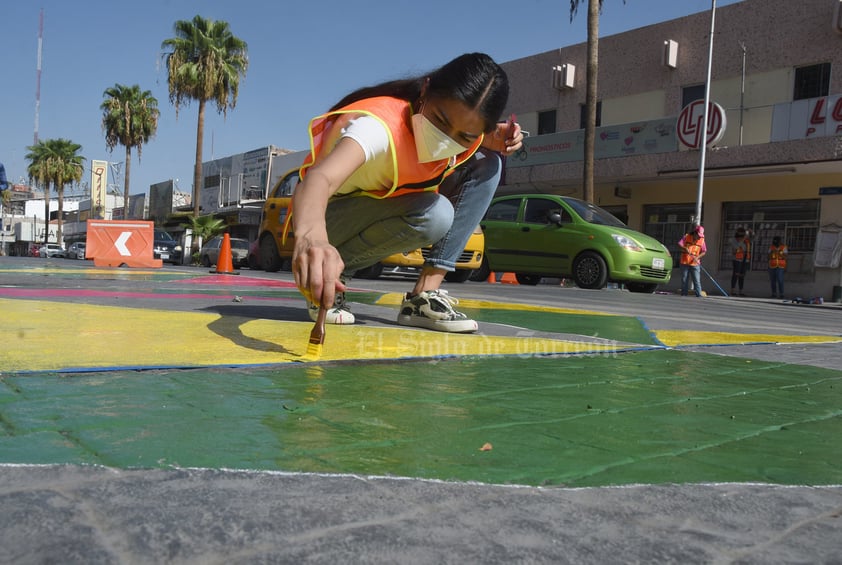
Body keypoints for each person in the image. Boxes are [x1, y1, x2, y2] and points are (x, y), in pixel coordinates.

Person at [289, 53, 523, 333]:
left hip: (372, 211)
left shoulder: (469, 138)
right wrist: (312, 240)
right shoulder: (376, 128)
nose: (446, 139)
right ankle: (328, 276)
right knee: (436, 214)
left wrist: (489, 140)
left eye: (464, 136)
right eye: (439, 121)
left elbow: (466, 133)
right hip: (325, 221)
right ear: (425, 91)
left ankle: (423, 297)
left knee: (489, 165)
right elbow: (319, 179)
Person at [678, 225, 706, 297]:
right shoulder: (687, 237)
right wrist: (684, 248)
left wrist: (697, 257)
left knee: (696, 280)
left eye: (700, 236)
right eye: (698, 235)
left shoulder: (702, 240)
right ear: (695, 233)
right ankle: (684, 294)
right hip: (685, 262)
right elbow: (679, 244)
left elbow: (704, 251)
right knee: (684, 279)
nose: (699, 237)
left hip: (695, 263)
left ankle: (698, 295)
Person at [729, 227, 750, 296]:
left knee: (742, 275)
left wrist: (751, 233)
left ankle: (741, 291)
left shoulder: (746, 240)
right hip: (737, 259)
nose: (741, 237)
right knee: (736, 274)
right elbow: (736, 248)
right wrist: (743, 239)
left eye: (743, 235)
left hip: (745, 259)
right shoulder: (734, 240)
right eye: (740, 235)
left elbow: (754, 239)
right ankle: (733, 290)